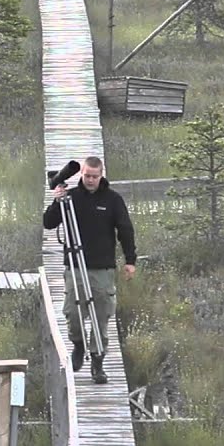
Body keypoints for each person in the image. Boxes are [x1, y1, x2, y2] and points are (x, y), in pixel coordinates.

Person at [43, 156, 136, 385]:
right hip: (75, 266)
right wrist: (57, 202)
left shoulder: (113, 200)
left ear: (101, 175)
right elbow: (48, 223)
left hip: (102, 268)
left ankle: (97, 363)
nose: (91, 180)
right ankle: (78, 345)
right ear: (81, 175)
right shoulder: (71, 198)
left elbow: (125, 230)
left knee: (100, 317)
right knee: (72, 314)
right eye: (86, 176)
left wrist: (130, 260)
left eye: (94, 176)